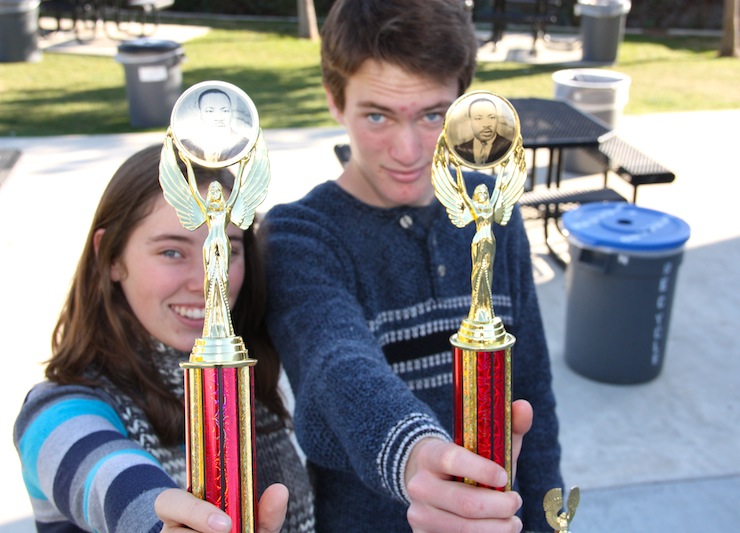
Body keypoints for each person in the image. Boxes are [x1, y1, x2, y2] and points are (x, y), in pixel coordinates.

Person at [259, 0, 562, 532]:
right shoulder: (298, 236)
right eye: (377, 115)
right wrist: (417, 457)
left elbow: (531, 390)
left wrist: (545, 523)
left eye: (432, 115)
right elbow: (335, 365)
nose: (408, 150)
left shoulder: (495, 212)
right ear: (335, 100)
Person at [13, 145, 314, 532]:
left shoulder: (248, 387)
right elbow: (109, 481)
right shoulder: (55, 413)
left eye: (227, 251)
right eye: (171, 251)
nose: (204, 281)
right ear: (111, 257)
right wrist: (163, 523)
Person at [181, 88, 251, 164]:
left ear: (231, 113)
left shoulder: (246, 146)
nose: (218, 118)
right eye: (210, 111)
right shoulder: (184, 147)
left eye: (225, 110)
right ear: (199, 113)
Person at [454, 97, 513, 166]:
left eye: (492, 117)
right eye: (478, 118)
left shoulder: (508, 146)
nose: (486, 124)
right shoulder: (461, 150)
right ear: (469, 121)